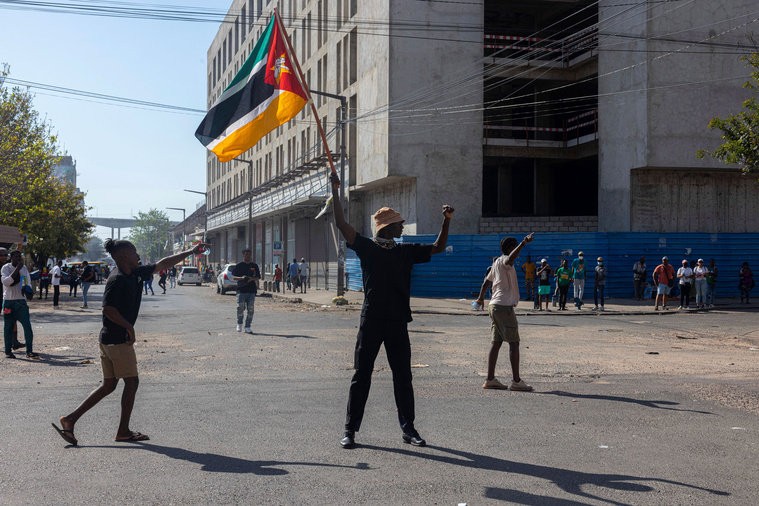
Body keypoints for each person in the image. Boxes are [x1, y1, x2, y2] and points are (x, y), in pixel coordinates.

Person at [330, 172, 453, 449]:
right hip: (371, 319)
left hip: (397, 321)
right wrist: (335, 189)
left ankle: (408, 429)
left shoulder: (405, 251)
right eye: (400, 224)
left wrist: (446, 220)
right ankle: (350, 430)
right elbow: (340, 222)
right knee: (362, 375)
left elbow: (439, 247)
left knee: (403, 376)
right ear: (386, 227)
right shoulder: (366, 248)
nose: (403, 227)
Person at [52, 238, 209, 446]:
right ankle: (123, 431)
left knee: (109, 385)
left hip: (108, 339)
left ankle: (70, 419)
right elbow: (108, 309)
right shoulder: (117, 279)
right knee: (132, 382)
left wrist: (191, 251)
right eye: (135, 252)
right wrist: (129, 327)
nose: (138, 255)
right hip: (117, 340)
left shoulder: (134, 272)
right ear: (124, 257)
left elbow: (164, 263)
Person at [476, 233, 535, 392]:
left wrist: (480, 299)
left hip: (494, 306)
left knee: (496, 343)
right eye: (514, 246)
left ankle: (490, 379)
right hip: (503, 307)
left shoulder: (496, 263)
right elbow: (510, 258)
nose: (516, 248)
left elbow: (486, 283)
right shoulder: (504, 260)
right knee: (514, 343)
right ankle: (516, 381)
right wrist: (523, 243)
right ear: (510, 248)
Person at [2, 250, 39, 359]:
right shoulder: (5, 268)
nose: (18, 258)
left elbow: (26, 283)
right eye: (16, 257)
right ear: (11, 257)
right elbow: (6, 283)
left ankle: (29, 351)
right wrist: (17, 269)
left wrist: (28, 291)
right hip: (8, 302)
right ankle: (8, 351)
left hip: (21, 302)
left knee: (27, 326)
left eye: (20, 257)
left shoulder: (24, 269)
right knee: (8, 327)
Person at [232, 248, 260, 334]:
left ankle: (248, 326)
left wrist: (251, 279)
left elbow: (258, 277)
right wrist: (242, 278)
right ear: (243, 255)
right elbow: (234, 277)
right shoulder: (239, 265)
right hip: (241, 290)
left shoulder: (254, 266)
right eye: (246, 254)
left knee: (250, 309)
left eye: (249, 255)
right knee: (240, 308)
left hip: (251, 290)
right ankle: (239, 324)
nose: (248, 256)